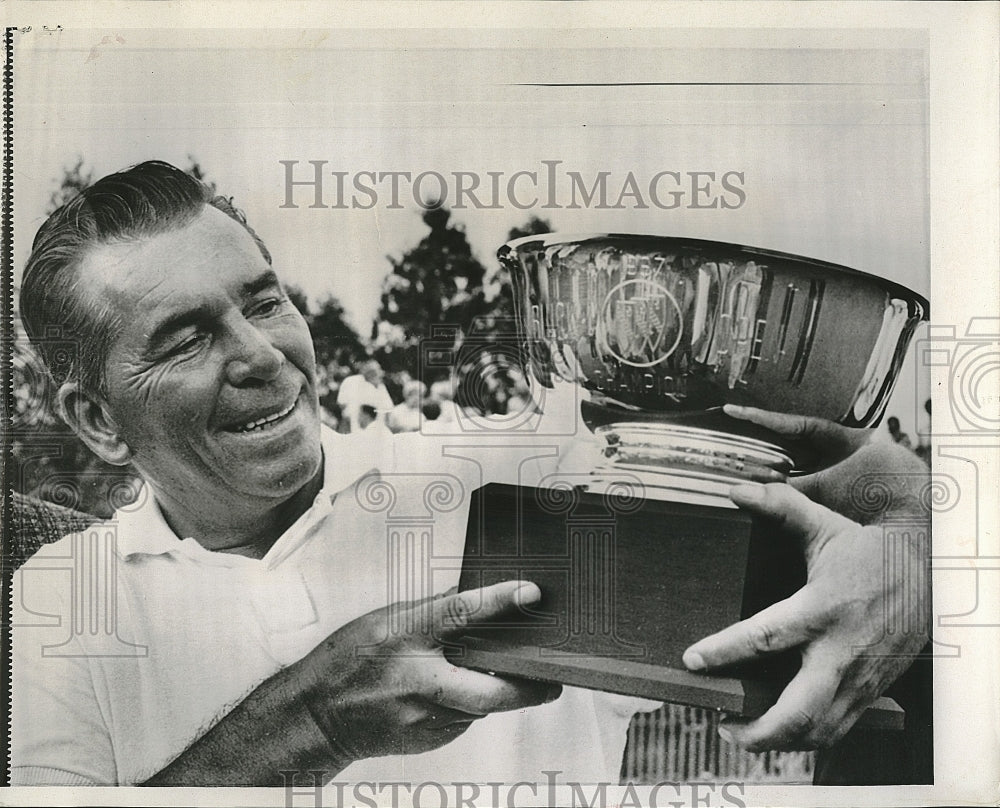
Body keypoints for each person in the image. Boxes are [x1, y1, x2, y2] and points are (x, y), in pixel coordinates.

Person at [12, 161, 929, 786]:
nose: (265, 355)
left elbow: (872, 473)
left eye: (263, 301)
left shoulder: (497, 474)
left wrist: (907, 563)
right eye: (186, 339)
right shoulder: (64, 596)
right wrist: (317, 720)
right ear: (97, 421)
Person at [336, 358, 393, 432]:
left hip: (376, 426)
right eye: (371, 372)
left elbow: (388, 408)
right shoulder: (352, 381)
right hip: (352, 423)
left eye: (376, 372)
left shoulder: (381, 387)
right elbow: (342, 403)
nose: (373, 375)